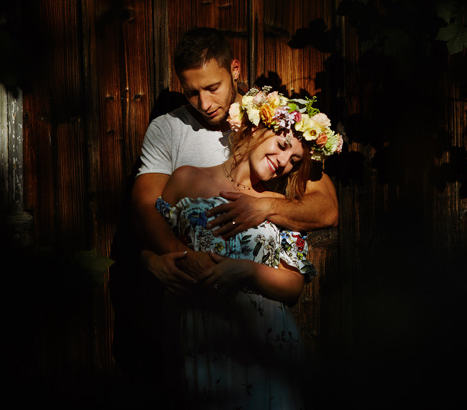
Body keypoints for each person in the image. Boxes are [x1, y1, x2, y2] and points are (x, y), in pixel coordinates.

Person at [151, 87, 342, 408]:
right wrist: (151, 261)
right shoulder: (187, 179)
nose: (284, 162)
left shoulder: (281, 205)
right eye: (282, 146)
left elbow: (294, 286)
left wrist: (247, 270)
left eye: (294, 160)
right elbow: (153, 241)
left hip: (267, 343)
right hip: (203, 337)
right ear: (256, 131)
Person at [131, 27, 339, 291]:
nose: (204, 103)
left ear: (235, 70)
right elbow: (146, 207)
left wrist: (264, 207)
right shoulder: (167, 129)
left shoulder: (272, 123)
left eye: (212, 88)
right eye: (191, 92)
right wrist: (165, 257)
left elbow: (327, 209)